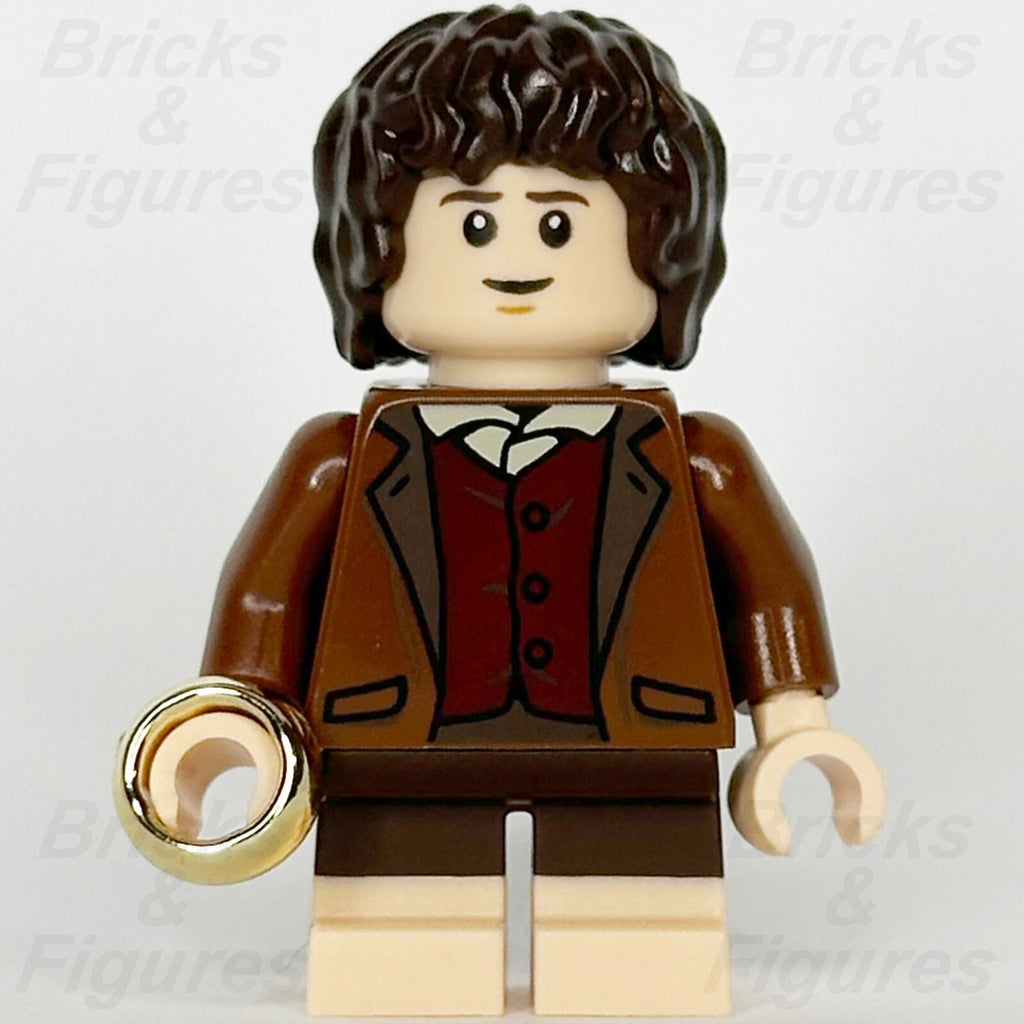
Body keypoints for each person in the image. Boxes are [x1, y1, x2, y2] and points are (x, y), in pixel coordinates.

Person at [123, 7, 884, 1016]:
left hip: (638, 749)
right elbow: (267, 599)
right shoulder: (338, 457)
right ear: (379, 247)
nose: (515, 258)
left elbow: (765, 590)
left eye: (561, 222)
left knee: (640, 956)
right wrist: (236, 713)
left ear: (661, 246)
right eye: (472, 221)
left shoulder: (697, 455)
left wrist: (793, 727)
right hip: (397, 753)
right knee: (401, 958)